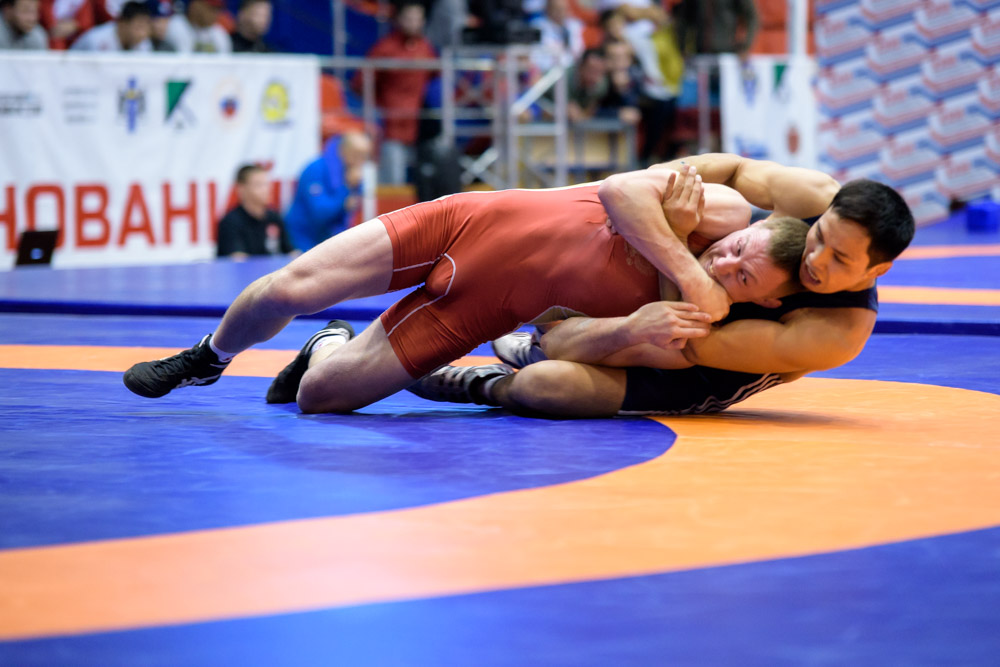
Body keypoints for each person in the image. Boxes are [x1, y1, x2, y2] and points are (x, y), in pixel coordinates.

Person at [122, 166, 803, 414]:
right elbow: (621, 190)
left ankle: (325, 343)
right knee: (289, 286)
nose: (724, 261)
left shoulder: (688, 319)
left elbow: (563, 340)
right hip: (467, 221)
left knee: (319, 398)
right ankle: (208, 357)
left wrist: (639, 319)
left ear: (765, 300)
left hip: (481, 309)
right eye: (735, 250)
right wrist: (691, 269)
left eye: (741, 275)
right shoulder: (720, 213)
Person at [408, 157, 915, 418]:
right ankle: (539, 340)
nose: (815, 259)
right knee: (714, 206)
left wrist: (672, 234)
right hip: (681, 290)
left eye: (840, 259)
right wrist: (655, 190)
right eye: (820, 236)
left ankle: (486, 383)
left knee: (546, 386)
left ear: (878, 270)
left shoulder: (837, 331)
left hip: (699, 363)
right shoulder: (813, 194)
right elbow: (733, 168)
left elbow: (691, 347)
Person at [358, 1, 436, 184]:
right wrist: (380, 107)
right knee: (394, 185)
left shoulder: (425, 48)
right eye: (409, 18)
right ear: (399, 20)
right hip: (391, 129)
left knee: (423, 186)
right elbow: (361, 82)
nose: (413, 23)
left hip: (419, 128)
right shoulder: (385, 48)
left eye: (417, 19)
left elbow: (435, 76)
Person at [283, 132, 373, 253]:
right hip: (302, 240)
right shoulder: (315, 169)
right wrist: (345, 193)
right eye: (357, 154)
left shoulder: (352, 173)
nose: (360, 160)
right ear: (344, 150)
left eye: (364, 156)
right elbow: (319, 211)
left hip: (329, 240)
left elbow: (351, 210)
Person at [216, 164, 297, 261]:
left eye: (267, 184)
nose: (266, 190)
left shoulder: (274, 218)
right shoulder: (231, 222)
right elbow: (238, 260)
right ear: (241, 188)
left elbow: (290, 251)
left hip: (272, 270)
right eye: (259, 185)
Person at [71, 0, 151, 51]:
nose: (143, 33)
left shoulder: (143, 42)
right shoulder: (97, 39)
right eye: (139, 27)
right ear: (122, 23)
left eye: (146, 27)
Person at [529, 0, 585, 72]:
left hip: (572, 70)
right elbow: (536, 55)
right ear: (548, 9)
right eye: (557, 9)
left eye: (563, 9)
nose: (560, 12)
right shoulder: (537, 26)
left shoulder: (574, 25)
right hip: (548, 70)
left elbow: (579, 50)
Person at [163, 0, 230, 53]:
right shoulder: (176, 26)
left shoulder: (219, 32)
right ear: (195, 5)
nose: (216, 14)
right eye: (211, 8)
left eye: (218, 9)